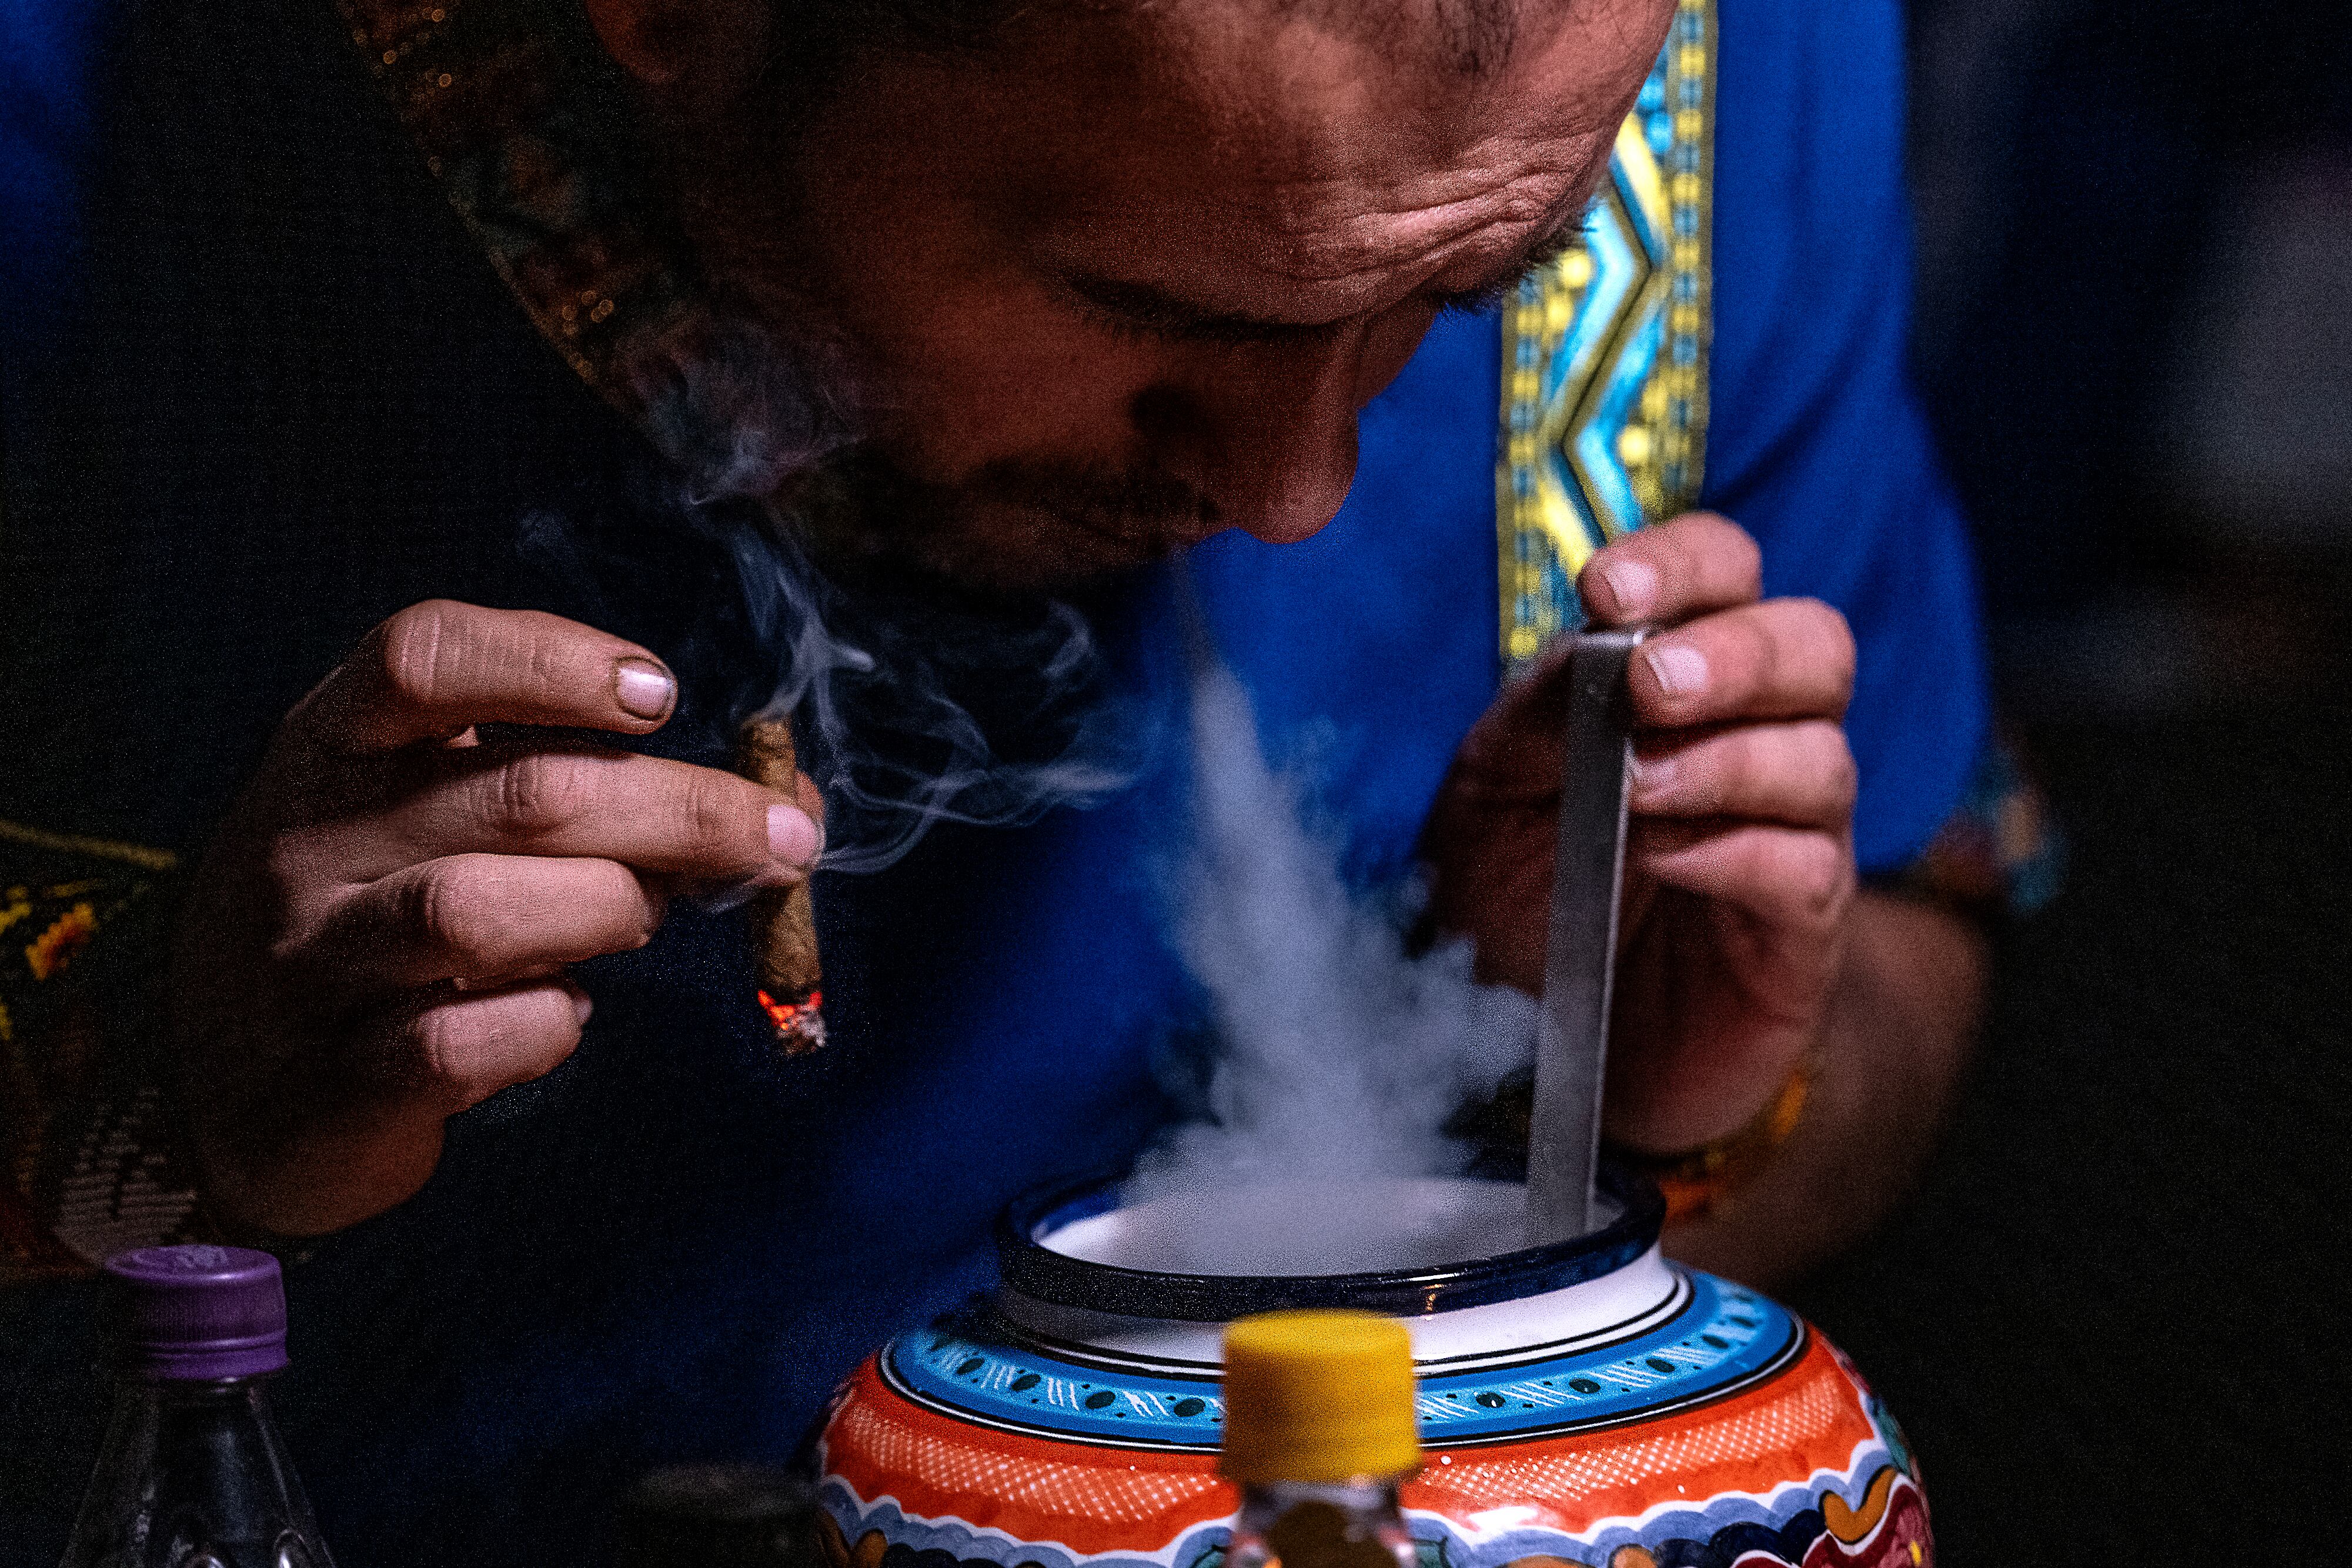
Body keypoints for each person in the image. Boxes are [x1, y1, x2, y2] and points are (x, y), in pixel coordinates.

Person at [0, 0, 2034, 1560]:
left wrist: (1641, 1099)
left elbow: (1923, 910)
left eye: (1455, 297)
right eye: (1144, 304)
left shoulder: (1699, 72)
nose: (1293, 492)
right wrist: (144, 1069)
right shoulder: (80, 144)